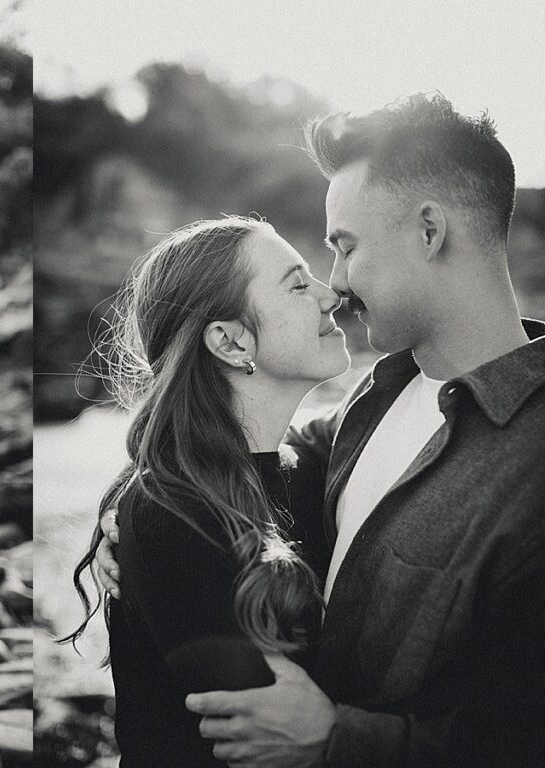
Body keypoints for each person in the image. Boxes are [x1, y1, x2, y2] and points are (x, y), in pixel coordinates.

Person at [95, 94, 545, 767]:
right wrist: (138, 509)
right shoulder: (371, 402)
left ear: (429, 231)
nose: (335, 286)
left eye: (345, 248)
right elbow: (244, 457)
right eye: (307, 275)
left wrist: (341, 740)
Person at [63, 216, 348, 766]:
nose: (330, 294)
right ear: (229, 340)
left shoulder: (309, 469)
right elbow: (261, 741)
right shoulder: (170, 514)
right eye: (297, 284)